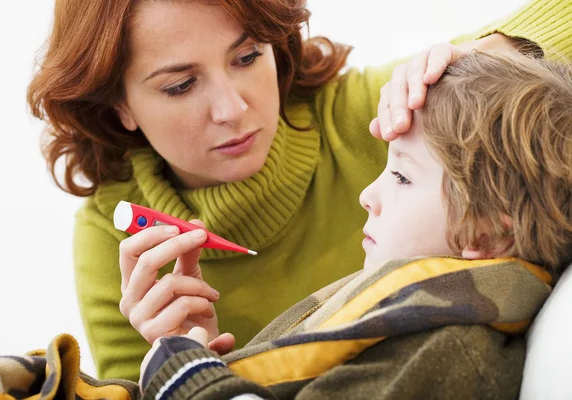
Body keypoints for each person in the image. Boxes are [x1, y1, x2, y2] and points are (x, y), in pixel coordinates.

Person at [27, 0, 572, 381]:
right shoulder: (114, 236)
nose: (233, 108)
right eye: (181, 85)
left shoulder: (381, 118)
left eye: (247, 57)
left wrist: (495, 54)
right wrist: (186, 357)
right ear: (118, 103)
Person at [136, 50, 572, 399]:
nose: (367, 194)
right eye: (179, 85)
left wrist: (189, 380)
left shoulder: (449, 353)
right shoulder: (419, 312)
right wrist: (208, 358)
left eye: (401, 175)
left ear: (487, 234)